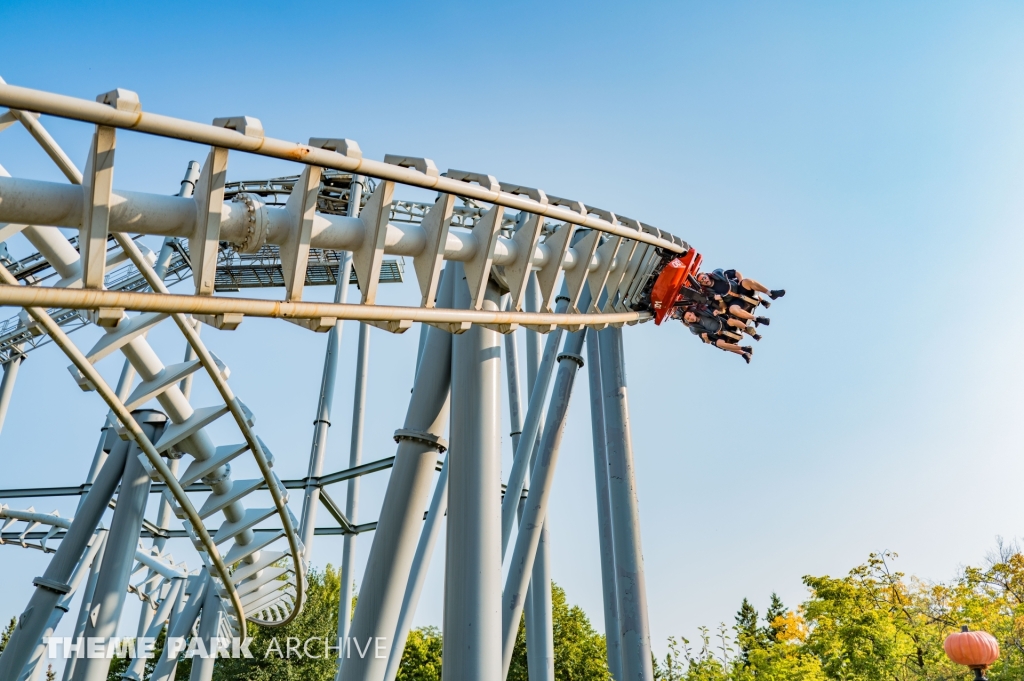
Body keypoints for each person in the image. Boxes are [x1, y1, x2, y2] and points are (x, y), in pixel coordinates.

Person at [680, 309, 754, 363]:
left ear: (692, 313)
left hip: (724, 325)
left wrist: (717, 312)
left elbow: (720, 311)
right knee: (719, 344)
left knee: (731, 321)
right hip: (720, 335)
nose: (690, 318)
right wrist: (706, 338)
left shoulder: (704, 312)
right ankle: (744, 350)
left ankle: (753, 333)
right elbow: (708, 342)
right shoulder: (697, 329)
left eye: (690, 315)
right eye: (688, 319)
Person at [696, 269, 785, 305]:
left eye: (704, 278)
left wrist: (740, 281)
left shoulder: (719, 275)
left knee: (747, 281)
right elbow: (721, 307)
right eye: (702, 281)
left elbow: (736, 273)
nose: (704, 280)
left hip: (738, 289)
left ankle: (770, 293)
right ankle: (755, 320)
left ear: (707, 275)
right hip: (733, 300)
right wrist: (720, 300)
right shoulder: (709, 293)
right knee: (732, 310)